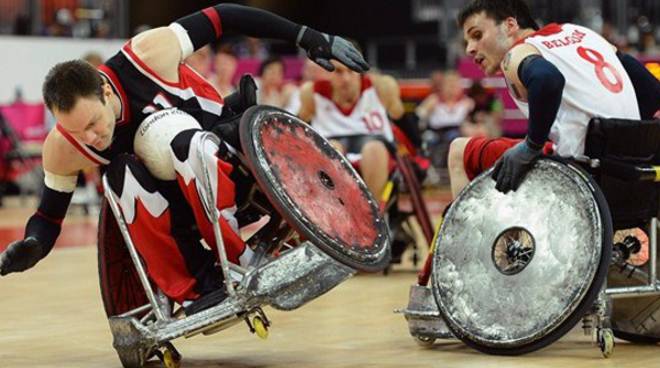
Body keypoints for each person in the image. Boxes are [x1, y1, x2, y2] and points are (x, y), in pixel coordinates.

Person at [0, 3, 368, 316]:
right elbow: (49, 217)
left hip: (229, 156)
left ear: (106, 90)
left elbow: (223, 16)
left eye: (94, 123)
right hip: (179, 210)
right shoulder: (62, 147)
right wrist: (34, 245)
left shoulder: (146, 54)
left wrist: (306, 36)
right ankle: (199, 283)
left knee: (183, 141)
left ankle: (240, 260)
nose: (91, 137)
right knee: (119, 176)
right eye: (78, 133)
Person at [447, 0, 660, 199]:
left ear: (510, 25)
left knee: (459, 150)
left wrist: (532, 144)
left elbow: (547, 79)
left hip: (583, 177)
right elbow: (651, 91)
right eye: (467, 41)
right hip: (635, 172)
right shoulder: (581, 32)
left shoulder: (517, 53)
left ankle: (479, 238)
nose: (470, 48)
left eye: (477, 35)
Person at [298, 59, 404, 206]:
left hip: (376, 151)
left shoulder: (381, 87)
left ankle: (373, 214)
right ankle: (334, 210)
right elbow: (300, 124)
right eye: (338, 72)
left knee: (373, 150)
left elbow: (400, 116)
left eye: (351, 71)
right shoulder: (311, 93)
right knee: (332, 148)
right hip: (335, 150)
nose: (346, 79)